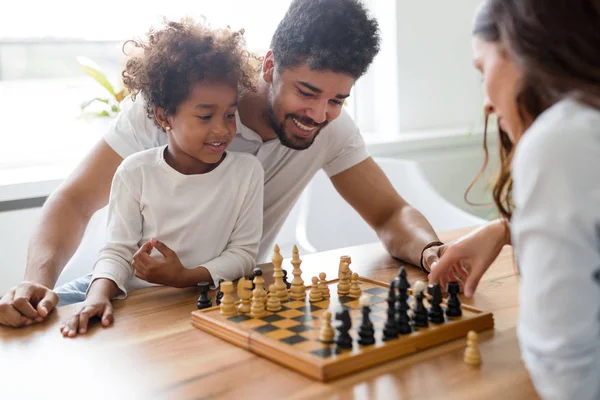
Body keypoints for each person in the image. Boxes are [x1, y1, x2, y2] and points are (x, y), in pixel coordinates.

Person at [0, 0, 443, 328]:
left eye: (337, 99)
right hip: (126, 293)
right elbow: (75, 200)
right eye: (306, 92)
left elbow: (390, 213)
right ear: (270, 66)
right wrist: (34, 281)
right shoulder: (181, 103)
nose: (319, 114)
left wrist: (430, 249)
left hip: (218, 304)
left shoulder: (332, 128)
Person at [428, 1, 600, 399]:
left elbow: (563, 370)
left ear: (523, 47)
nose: (486, 103)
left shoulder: (562, 139)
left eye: (481, 68)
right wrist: (508, 230)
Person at [58, 18, 264, 337]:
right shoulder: (134, 171)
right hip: (124, 291)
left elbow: (244, 255)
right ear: (163, 116)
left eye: (229, 114)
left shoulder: (247, 172)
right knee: (28, 310)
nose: (223, 129)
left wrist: (184, 276)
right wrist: (97, 297)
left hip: (195, 297)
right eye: (205, 116)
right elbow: (117, 252)